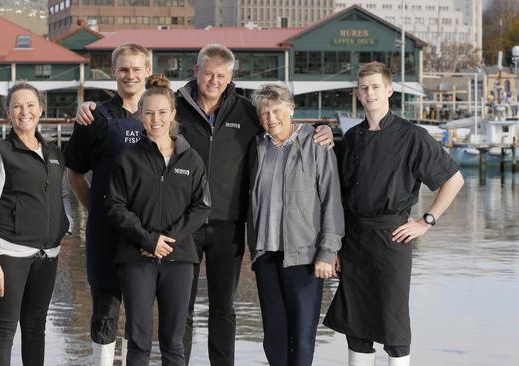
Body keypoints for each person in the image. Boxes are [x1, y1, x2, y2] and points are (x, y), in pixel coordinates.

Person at [76, 43, 335, 366]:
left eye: (221, 75)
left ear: (230, 77)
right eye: (208, 72)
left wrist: (319, 129)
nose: (214, 80)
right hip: (181, 226)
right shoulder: (177, 108)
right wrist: (90, 106)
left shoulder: (246, 111)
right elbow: (144, 108)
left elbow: (279, 123)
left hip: (228, 223)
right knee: (179, 308)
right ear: (196, 71)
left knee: (223, 306)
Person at [323, 62, 464, 366]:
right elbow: (334, 198)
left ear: (389, 90)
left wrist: (426, 221)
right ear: (357, 94)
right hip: (353, 240)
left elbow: (454, 179)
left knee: (394, 323)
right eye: (364, 88)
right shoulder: (351, 139)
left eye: (375, 86)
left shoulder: (412, 136)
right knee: (356, 325)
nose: (369, 93)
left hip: (392, 239)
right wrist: (332, 246)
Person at [105, 74, 211, 366]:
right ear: (140, 115)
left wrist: (167, 242)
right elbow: (114, 206)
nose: (156, 119)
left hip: (180, 258)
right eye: (149, 113)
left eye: (162, 112)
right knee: (138, 341)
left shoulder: (191, 160)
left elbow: (201, 207)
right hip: (136, 257)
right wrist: (148, 240)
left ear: (173, 114)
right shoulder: (127, 160)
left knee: (174, 341)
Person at [63, 43, 151, 365]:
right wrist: (96, 211)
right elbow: (74, 172)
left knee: (141, 310)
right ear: (113, 72)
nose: (130, 75)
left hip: (147, 231)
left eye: (136, 69)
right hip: (106, 232)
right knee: (105, 306)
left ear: (147, 72)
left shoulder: (161, 115)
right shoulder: (96, 116)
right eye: (124, 69)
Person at [246, 84, 344, 366]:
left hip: (304, 256)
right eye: (264, 113)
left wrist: (327, 252)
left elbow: (331, 201)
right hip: (266, 254)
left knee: (302, 335)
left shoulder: (316, 144)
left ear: (291, 110)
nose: (271, 118)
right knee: (274, 335)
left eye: (277, 110)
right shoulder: (258, 146)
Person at [0, 82, 72, 366]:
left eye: (30, 105)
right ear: (8, 112)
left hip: (47, 256)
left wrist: (66, 222)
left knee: (35, 328)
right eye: (17, 106)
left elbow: (62, 192)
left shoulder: (53, 153)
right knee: (5, 328)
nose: (24, 111)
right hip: (9, 256)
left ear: (41, 109)